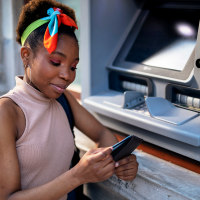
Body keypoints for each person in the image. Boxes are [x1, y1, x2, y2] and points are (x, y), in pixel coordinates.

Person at [0, 0, 138, 200]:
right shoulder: (8, 112)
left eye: (73, 67)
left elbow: (101, 133)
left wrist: (120, 162)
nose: (67, 75)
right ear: (26, 55)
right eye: (56, 62)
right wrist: (77, 176)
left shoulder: (63, 99)